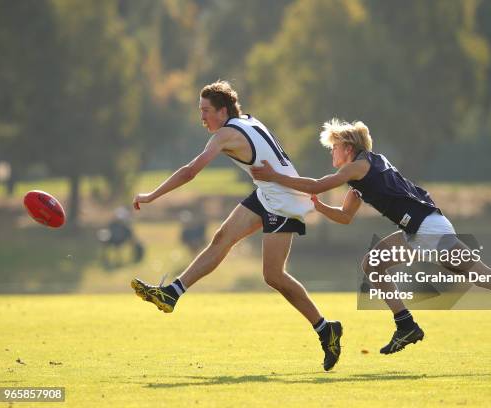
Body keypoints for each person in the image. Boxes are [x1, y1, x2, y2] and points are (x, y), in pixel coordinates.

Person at [251, 118, 491, 353]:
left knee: (479, 274)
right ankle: (406, 324)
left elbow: (319, 183)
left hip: (426, 229)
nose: (331, 153)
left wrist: (273, 176)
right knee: (374, 265)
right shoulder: (364, 169)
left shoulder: (355, 168)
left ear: (348, 149)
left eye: (333, 147)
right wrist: (320, 208)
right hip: (421, 228)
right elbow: (346, 216)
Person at [131, 81, 342, 371]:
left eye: (206, 111)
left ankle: (325, 329)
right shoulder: (247, 121)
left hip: (282, 201)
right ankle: (172, 293)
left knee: (273, 276)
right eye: (200, 111)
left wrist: (152, 195)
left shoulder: (226, 133)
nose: (202, 117)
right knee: (221, 238)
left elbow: (191, 171)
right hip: (268, 192)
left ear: (222, 110)